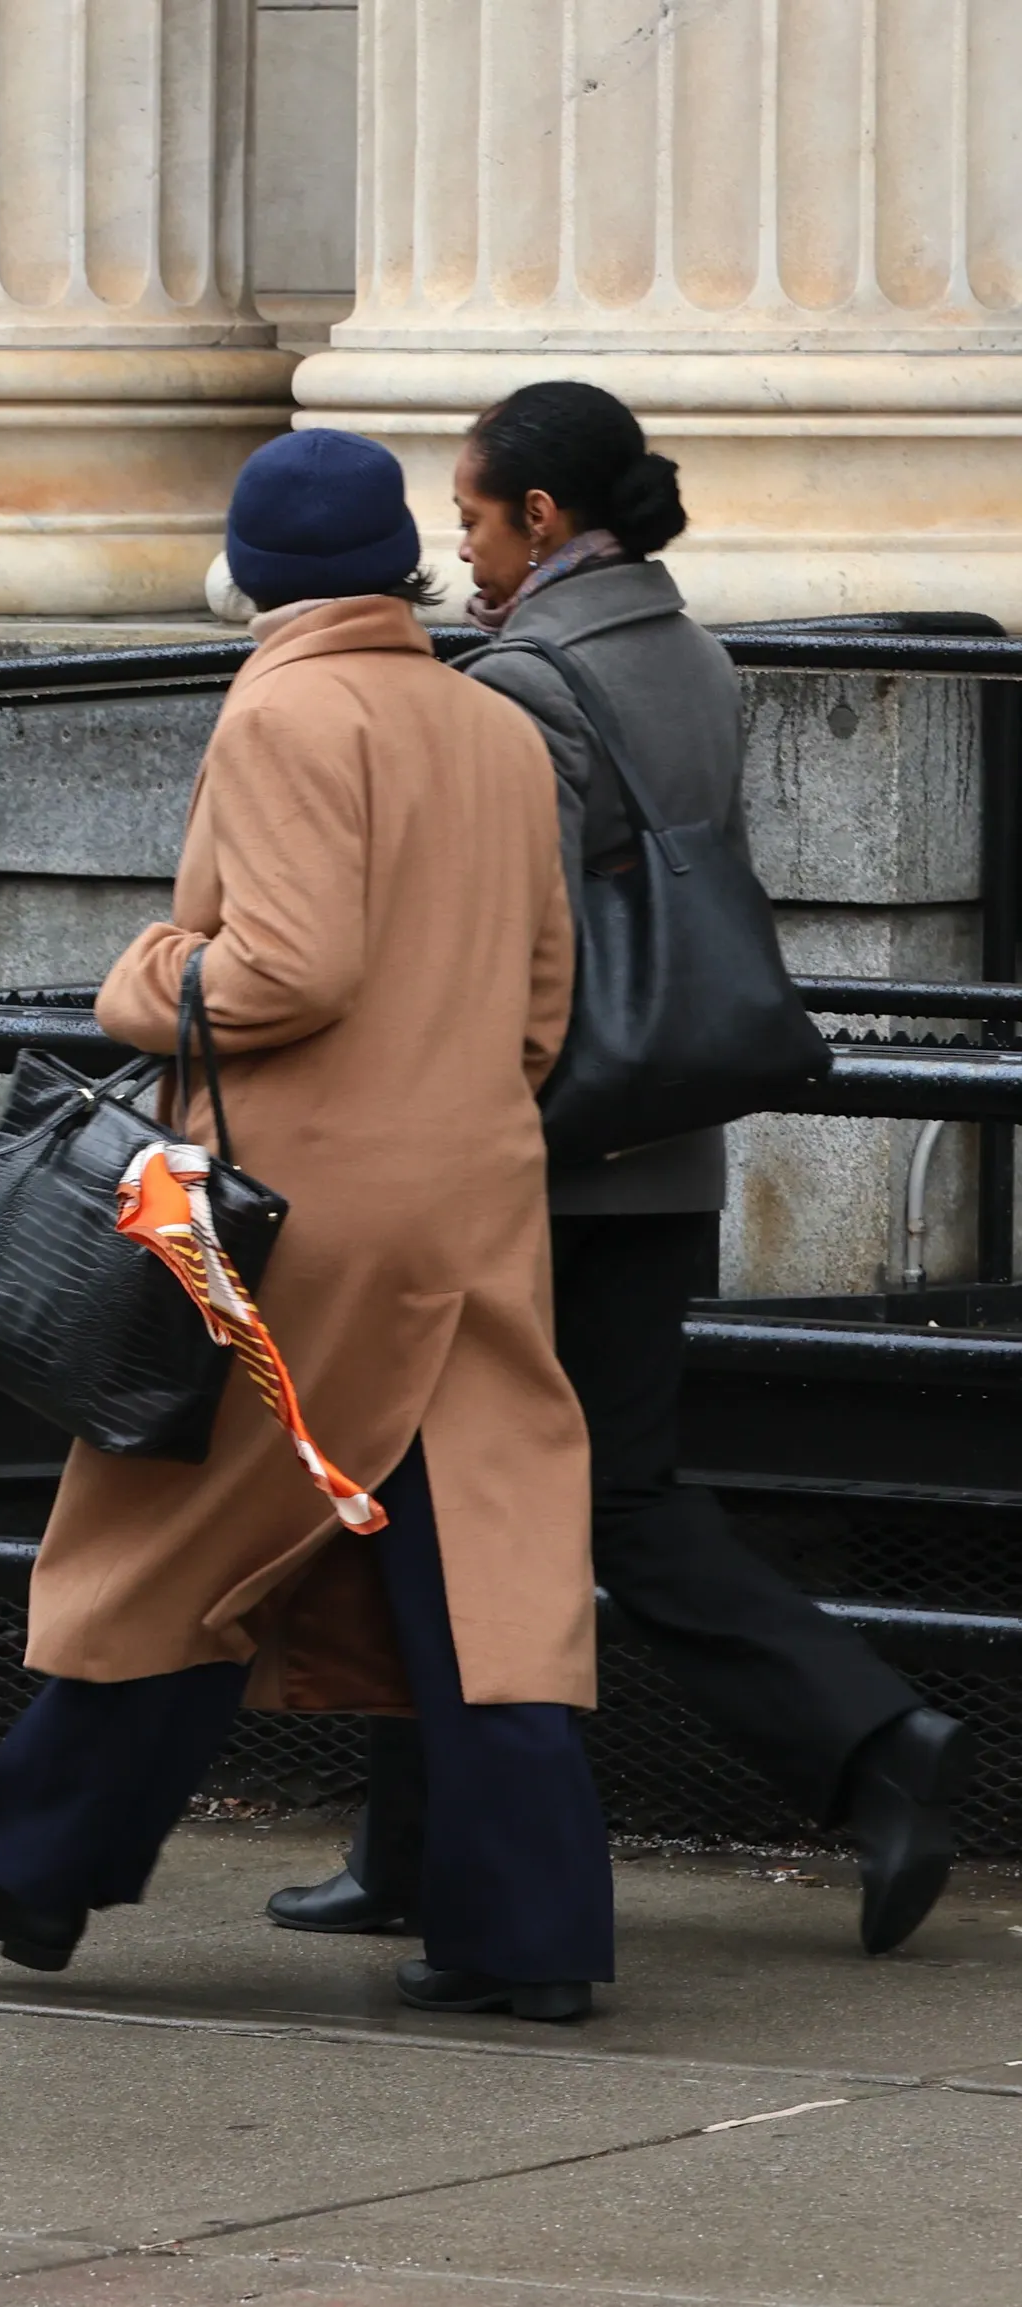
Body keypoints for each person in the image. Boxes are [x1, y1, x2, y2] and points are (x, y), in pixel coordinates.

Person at [0, 428, 616, 2021]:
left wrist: (141, 971)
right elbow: (546, 1002)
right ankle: (529, 1934)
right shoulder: (493, 718)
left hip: (303, 1209)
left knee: (174, 1521)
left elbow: (284, 968)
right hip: (475, 1190)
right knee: (487, 1564)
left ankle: (30, 1864)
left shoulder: (285, 706)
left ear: (254, 572)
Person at [267, 382, 968, 1957]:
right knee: (558, 1487)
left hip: (541, 1145)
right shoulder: (690, 649)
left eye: (471, 516)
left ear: (540, 516)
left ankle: (864, 1739)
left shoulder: (526, 681)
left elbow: (495, 930)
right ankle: (415, 1844)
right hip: (664, 1140)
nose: (457, 547)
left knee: (457, 1486)